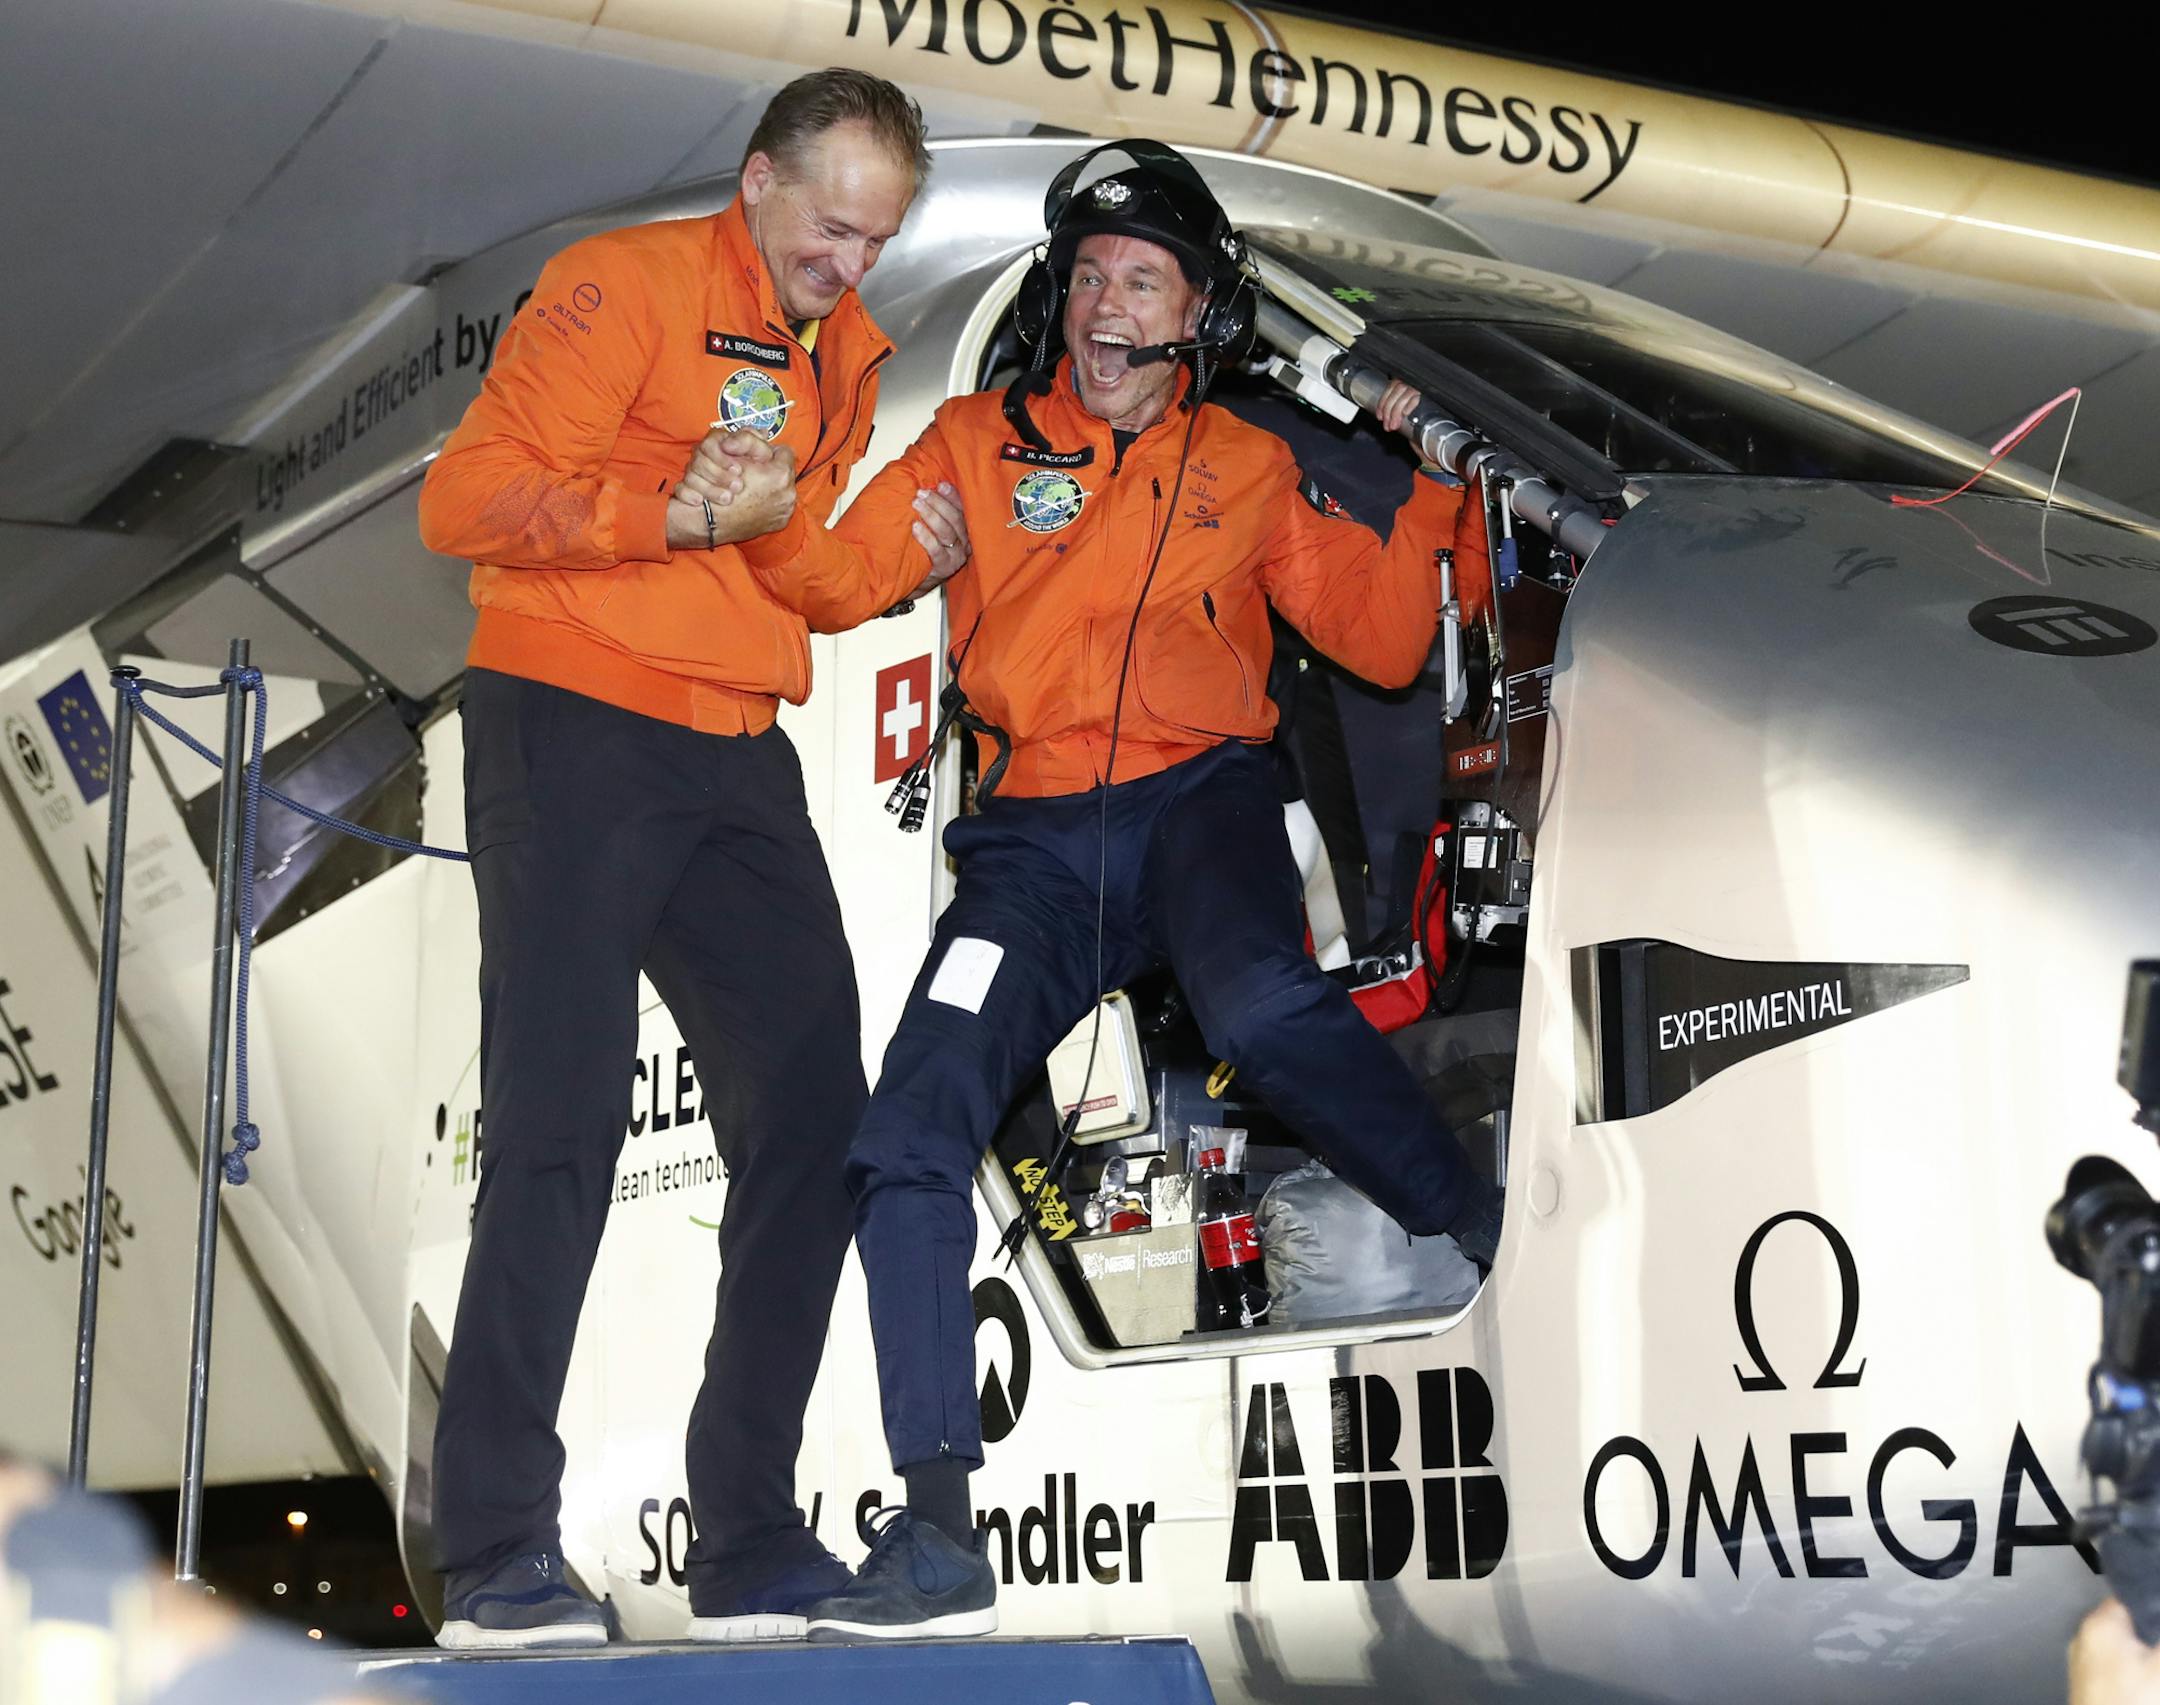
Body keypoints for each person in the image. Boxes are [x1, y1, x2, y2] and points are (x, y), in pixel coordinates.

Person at [716, 139, 1503, 1638]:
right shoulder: (971, 441)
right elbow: (829, 583)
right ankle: (936, 1529)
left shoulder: (1248, 463)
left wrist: (1431, 489)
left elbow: (1389, 644)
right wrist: (770, 499)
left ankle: (1477, 1229)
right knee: (903, 1133)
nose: (1099, 303)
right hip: (1033, 839)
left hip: (1203, 802)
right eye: (1085, 275)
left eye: (1136, 278)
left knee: (1267, 1011)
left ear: (1195, 314)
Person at [414, 68, 967, 1649]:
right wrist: (670, 510)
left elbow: (789, 563)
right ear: (757, 180)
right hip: (573, 717)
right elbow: (465, 497)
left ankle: (746, 1536)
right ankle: (497, 1550)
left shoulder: (843, 352)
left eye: (879, 239)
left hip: (735, 746)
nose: (851, 266)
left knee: (814, 1114)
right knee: (558, 1124)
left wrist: (901, 558)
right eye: (831, 228)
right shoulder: (623, 283)